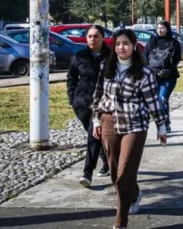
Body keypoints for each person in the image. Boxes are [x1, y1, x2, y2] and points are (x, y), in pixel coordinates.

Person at [92, 29, 168, 229]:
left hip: (135, 124)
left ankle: (120, 222)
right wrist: (96, 120)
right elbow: (98, 95)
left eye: (125, 43)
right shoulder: (105, 67)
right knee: (115, 172)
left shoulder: (145, 73)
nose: (121, 48)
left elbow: (154, 102)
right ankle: (134, 194)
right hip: (108, 121)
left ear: (134, 46)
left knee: (125, 172)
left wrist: (161, 126)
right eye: (117, 44)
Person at [67, 25, 111, 188]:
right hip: (82, 104)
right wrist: (72, 98)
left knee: (94, 137)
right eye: (90, 36)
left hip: (102, 104)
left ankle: (87, 173)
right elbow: (71, 78)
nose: (93, 39)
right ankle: (106, 161)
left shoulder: (110, 56)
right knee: (95, 135)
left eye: (96, 36)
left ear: (102, 38)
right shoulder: (80, 56)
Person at [143, 21, 182, 131]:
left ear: (167, 29)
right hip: (153, 76)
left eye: (162, 28)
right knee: (156, 101)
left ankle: (165, 124)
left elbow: (176, 59)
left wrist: (168, 70)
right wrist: (149, 70)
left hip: (169, 77)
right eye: (158, 28)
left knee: (162, 99)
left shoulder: (174, 43)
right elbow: (145, 56)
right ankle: (162, 122)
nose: (160, 30)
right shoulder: (152, 41)